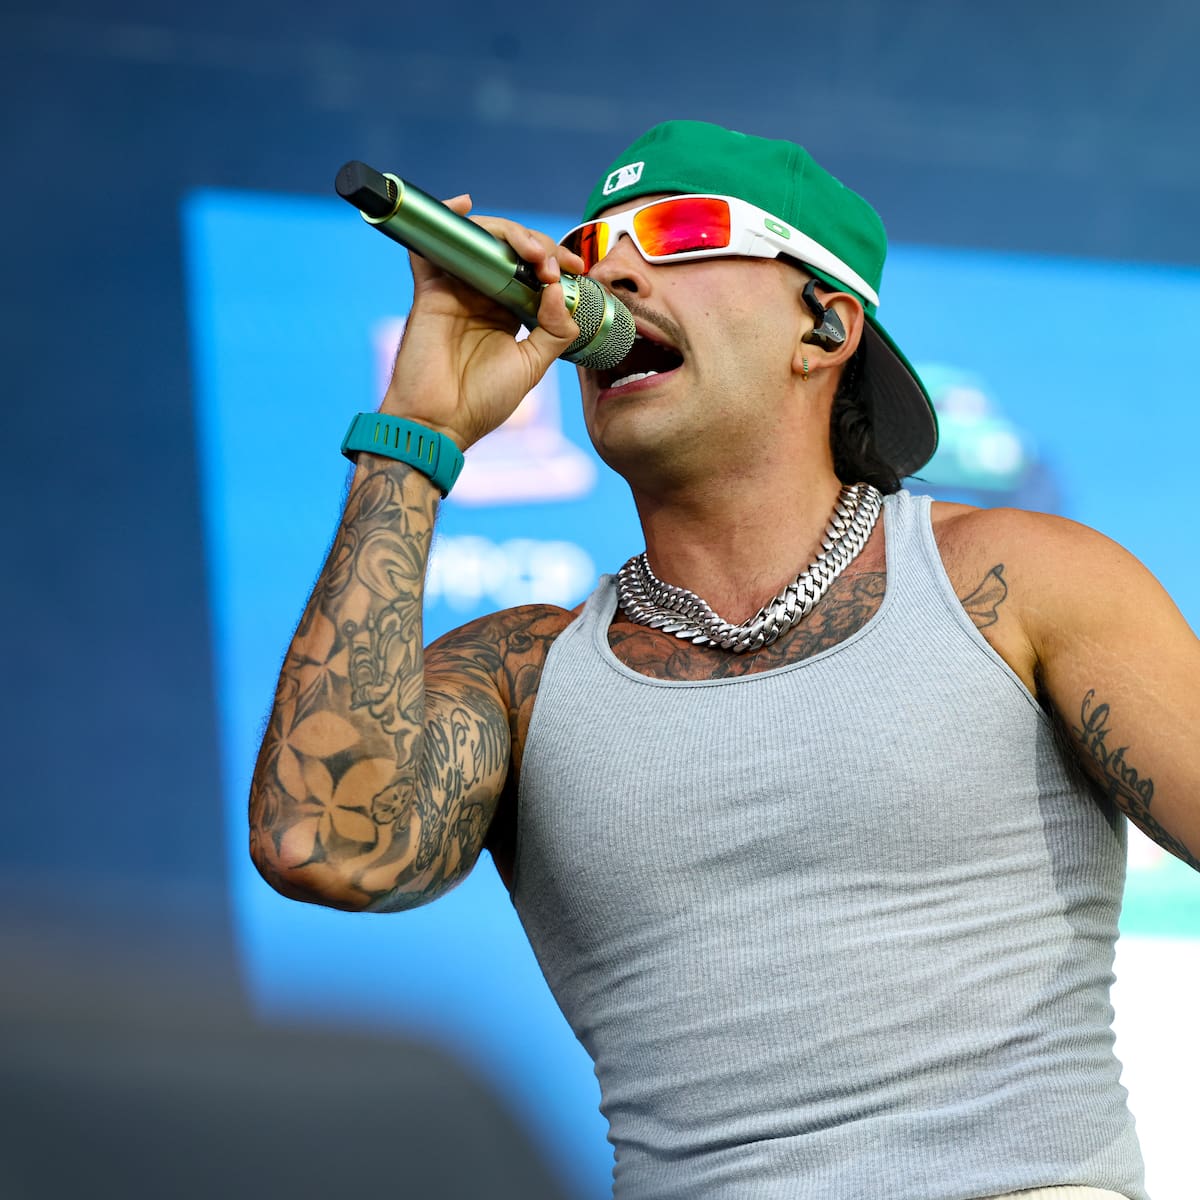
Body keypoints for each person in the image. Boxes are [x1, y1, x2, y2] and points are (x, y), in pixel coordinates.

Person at [248, 121, 1199, 1199]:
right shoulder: (525, 672)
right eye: (588, 247)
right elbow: (321, 846)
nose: (608, 274)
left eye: (683, 233)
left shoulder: (1020, 580)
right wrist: (414, 434)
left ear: (825, 325)